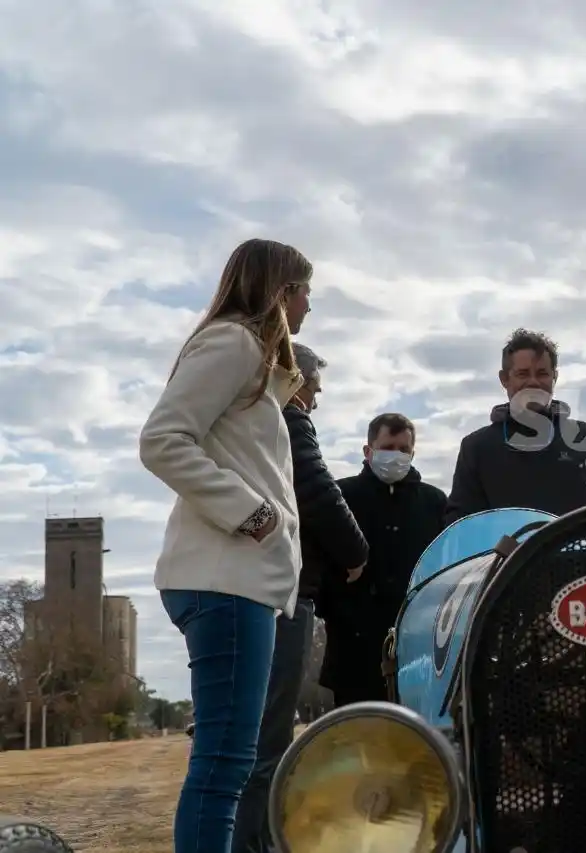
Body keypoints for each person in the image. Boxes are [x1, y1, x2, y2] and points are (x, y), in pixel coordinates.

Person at [138, 238, 314, 853]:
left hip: (233, 580)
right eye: (304, 291)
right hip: (224, 579)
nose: (309, 306)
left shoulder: (254, 363)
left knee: (227, 764)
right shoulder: (233, 343)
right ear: (280, 292)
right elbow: (162, 440)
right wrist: (252, 514)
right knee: (223, 767)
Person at [232, 343, 368, 853]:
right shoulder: (289, 418)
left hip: (244, 589)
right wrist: (355, 551)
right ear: (295, 379)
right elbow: (317, 490)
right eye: (315, 388)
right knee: (268, 743)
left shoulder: (245, 420)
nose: (316, 400)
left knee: (245, 738)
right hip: (283, 592)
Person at [319, 413, 447, 707]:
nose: (396, 455)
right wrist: (335, 607)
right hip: (353, 646)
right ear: (368, 451)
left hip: (418, 648)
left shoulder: (434, 502)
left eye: (404, 449)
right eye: (388, 447)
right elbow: (320, 561)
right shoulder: (340, 497)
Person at [443, 328, 586, 524]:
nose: (533, 382)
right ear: (504, 379)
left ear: (554, 377)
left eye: (542, 374)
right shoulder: (476, 448)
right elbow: (461, 524)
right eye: (523, 374)